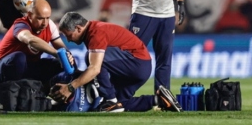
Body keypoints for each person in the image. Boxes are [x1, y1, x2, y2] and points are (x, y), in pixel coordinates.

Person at [51, 12, 182, 112]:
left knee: (91, 60)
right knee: (121, 104)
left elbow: (95, 69)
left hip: (136, 64)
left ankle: (110, 99)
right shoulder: (94, 30)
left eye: (68, 35)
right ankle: (159, 100)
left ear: (78, 28)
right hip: (139, 66)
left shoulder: (96, 33)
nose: (68, 40)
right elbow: (95, 70)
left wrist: (70, 87)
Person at [0, 0, 74, 92]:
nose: (44, 23)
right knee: (19, 57)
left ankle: (41, 95)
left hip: (27, 68)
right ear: (30, 15)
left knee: (61, 63)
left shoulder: (50, 26)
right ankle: (14, 93)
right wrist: (57, 53)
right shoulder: (21, 24)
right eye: (40, 18)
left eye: (47, 18)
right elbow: (30, 39)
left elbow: (62, 48)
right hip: (0, 70)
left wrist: (67, 57)